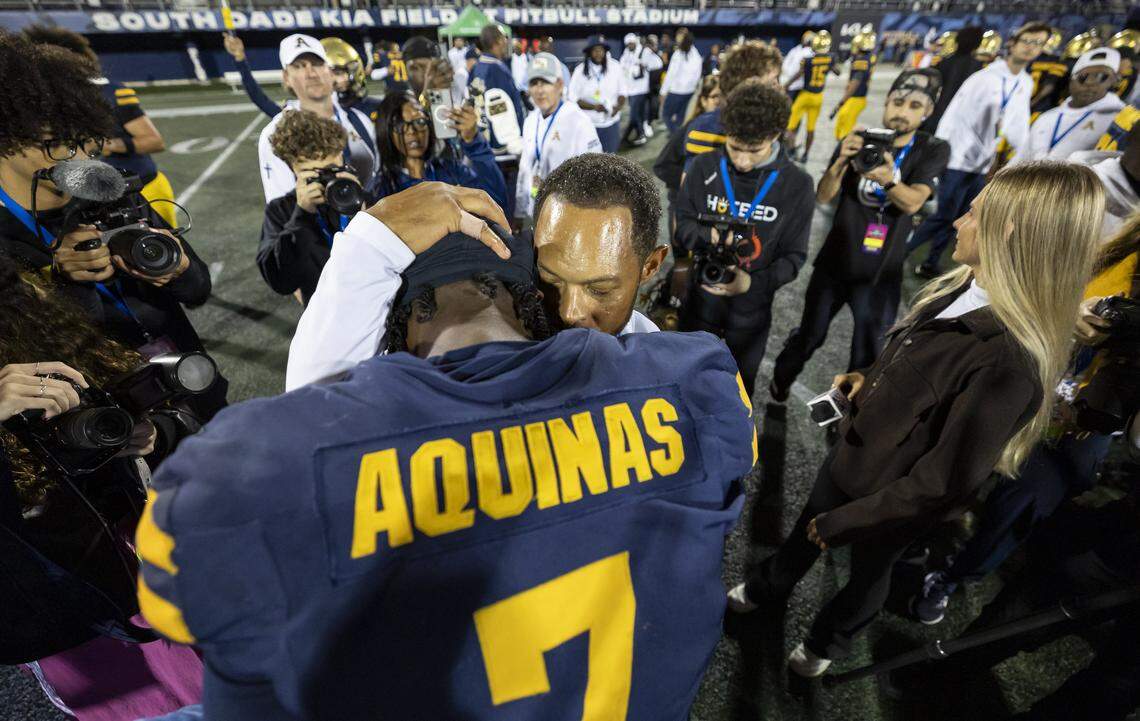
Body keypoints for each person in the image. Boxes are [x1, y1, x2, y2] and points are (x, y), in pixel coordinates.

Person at [137, 182, 758, 721]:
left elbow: (177, 592)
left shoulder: (256, 471)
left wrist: (367, 246)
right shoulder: (697, 381)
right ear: (532, 303)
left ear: (398, 327)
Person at [728, 161, 1105, 679]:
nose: (956, 222)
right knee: (802, 536)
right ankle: (768, 587)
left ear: (1009, 230)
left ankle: (825, 643)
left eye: (972, 213)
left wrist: (848, 521)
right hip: (853, 458)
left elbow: (942, 481)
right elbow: (918, 368)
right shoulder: (965, 286)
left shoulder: (1010, 362)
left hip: (891, 506)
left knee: (866, 577)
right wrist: (866, 377)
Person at [909, 210, 1140, 625]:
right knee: (960, 460)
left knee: (1017, 508)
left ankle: (952, 577)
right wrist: (1071, 314)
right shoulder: (1119, 245)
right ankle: (922, 530)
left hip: (1083, 420)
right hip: (1031, 377)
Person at [0, 255, 204, 721]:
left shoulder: (25, 296)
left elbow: (164, 406)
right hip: (64, 602)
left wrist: (153, 433)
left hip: (148, 550)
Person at [285, 155, 666, 391]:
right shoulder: (513, 325)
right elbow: (311, 404)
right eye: (551, 280)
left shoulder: (657, 358)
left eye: (599, 290)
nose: (569, 312)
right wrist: (373, 235)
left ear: (650, 266)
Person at [0, 33, 225, 419]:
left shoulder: (109, 191)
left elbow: (198, 287)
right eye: (61, 144)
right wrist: (63, 280)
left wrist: (178, 269)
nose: (81, 159)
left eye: (89, 143)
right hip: (99, 417)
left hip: (188, 385)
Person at [769, 70, 950, 402]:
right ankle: (781, 379)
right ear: (886, 103)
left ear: (927, 112)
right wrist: (840, 161)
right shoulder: (859, 138)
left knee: (867, 351)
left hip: (881, 273)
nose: (902, 111)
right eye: (897, 102)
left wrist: (888, 179)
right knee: (810, 334)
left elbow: (912, 203)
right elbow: (823, 196)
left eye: (913, 105)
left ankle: (849, 411)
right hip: (836, 261)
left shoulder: (931, 149)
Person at [674, 80, 813, 397]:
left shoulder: (797, 185)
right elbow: (681, 226)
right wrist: (707, 234)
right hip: (698, 308)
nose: (742, 161)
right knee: (684, 390)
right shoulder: (703, 167)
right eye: (734, 147)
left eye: (754, 151)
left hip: (750, 317)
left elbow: (794, 258)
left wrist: (751, 285)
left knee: (738, 396)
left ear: (776, 136)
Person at [907, 22, 1049, 278]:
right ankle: (901, 253)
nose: (1031, 48)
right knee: (943, 215)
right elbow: (953, 115)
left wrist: (1024, 159)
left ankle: (931, 261)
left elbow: (1017, 127)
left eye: (1038, 43)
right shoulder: (984, 78)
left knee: (964, 217)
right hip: (958, 157)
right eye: (1027, 41)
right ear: (1013, 43)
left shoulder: (1025, 82)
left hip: (982, 162)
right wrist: (942, 152)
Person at [23, 25, 177, 228]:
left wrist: (108, 145)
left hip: (142, 190)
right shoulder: (35, 103)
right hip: (89, 202)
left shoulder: (109, 92)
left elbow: (154, 142)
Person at [257, 110, 366, 306]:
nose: (325, 180)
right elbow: (281, 282)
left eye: (330, 169)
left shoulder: (360, 195)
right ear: (293, 169)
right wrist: (302, 215)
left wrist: (362, 211)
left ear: (342, 157)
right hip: (326, 319)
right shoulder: (281, 210)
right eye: (312, 173)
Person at [257, 34, 377, 204]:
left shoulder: (359, 120)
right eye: (299, 66)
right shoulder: (274, 135)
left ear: (329, 71)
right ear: (286, 78)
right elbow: (279, 212)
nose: (311, 73)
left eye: (317, 64)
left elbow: (375, 181)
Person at [370, 92, 507, 211]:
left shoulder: (451, 171)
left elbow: (497, 202)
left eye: (419, 121)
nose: (412, 131)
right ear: (386, 132)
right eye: (400, 125)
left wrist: (474, 142)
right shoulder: (383, 189)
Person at [515, 53, 601, 222]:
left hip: (568, 217)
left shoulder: (579, 122)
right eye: (534, 83)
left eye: (546, 82)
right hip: (537, 212)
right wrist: (519, 210)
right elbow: (525, 169)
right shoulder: (531, 120)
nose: (539, 90)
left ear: (560, 85)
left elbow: (594, 177)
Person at [1013, 47, 1125, 164]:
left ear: (1113, 80)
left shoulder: (1119, 119)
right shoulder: (1047, 117)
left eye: (1101, 76)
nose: (1090, 83)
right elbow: (1019, 160)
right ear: (1071, 80)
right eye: (1083, 77)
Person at [470, 24, 526, 152]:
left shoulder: (476, 67)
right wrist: (510, 141)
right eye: (504, 38)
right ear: (498, 41)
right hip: (501, 144)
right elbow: (501, 109)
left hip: (482, 139)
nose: (506, 42)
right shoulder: (497, 69)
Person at [784, 30, 836, 163]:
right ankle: (806, 155)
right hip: (818, 97)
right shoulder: (829, 58)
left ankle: (790, 151)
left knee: (790, 125)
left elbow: (799, 74)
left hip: (805, 94)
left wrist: (786, 85)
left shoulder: (807, 60)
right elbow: (838, 71)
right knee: (811, 129)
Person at [920, 26, 983, 134]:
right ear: (977, 44)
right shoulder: (979, 68)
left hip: (937, 116)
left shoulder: (943, 63)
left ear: (957, 41)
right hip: (961, 120)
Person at [569, 35, 626, 154]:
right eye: (595, 50)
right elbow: (573, 98)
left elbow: (622, 92)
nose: (598, 53)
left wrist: (617, 107)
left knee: (611, 159)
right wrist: (594, 107)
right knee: (589, 162)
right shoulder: (580, 71)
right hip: (589, 124)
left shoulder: (615, 67)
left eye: (601, 50)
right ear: (589, 52)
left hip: (611, 123)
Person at [831, 31, 877, 141]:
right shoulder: (868, 58)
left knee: (845, 130)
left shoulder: (861, 61)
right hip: (856, 97)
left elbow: (855, 83)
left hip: (855, 97)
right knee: (842, 121)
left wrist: (842, 101)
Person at [620, 32, 664, 147]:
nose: (630, 45)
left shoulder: (644, 51)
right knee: (636, 114)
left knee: (634, 113)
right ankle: (626, 137)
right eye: (628, 43)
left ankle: (641, 134)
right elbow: (622, 68)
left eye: (632, 43)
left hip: (641, 89)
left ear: (636, 42)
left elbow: (658, 63)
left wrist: (645, 65)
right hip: (630, 89)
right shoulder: (626, 54)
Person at [659, 27, 702, 133]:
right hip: (689, 92)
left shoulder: (679, 54)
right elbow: (698, 75)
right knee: (680, 117)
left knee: (666, 115)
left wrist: (663, 92)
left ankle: (676, 137)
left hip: (677, 91)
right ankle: (678, 134)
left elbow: (671, 75)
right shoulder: (696, 54)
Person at [1028, 28, 1067, 116]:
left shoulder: (1057, 62)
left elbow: (1049, 87)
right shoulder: (1031, 58)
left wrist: (1032, 103)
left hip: (1041, 107)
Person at [780, 31, 816, 103]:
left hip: (795, 85)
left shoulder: (809, 53)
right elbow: (786, 62)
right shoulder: (796, 49)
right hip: (785, 81)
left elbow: (801, 72)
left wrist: (787, 85)